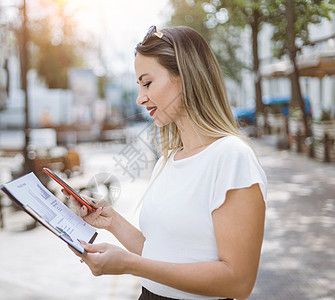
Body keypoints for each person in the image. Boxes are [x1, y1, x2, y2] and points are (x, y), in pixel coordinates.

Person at [64, 25, 267, 300]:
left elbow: (238, 281)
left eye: (147, 83)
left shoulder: (231, 157)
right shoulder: (167, 161)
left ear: (186, 76)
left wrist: (129, 265)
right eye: (138, 85)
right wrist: (112, 221)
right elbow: (162, 253)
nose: (140, 98)